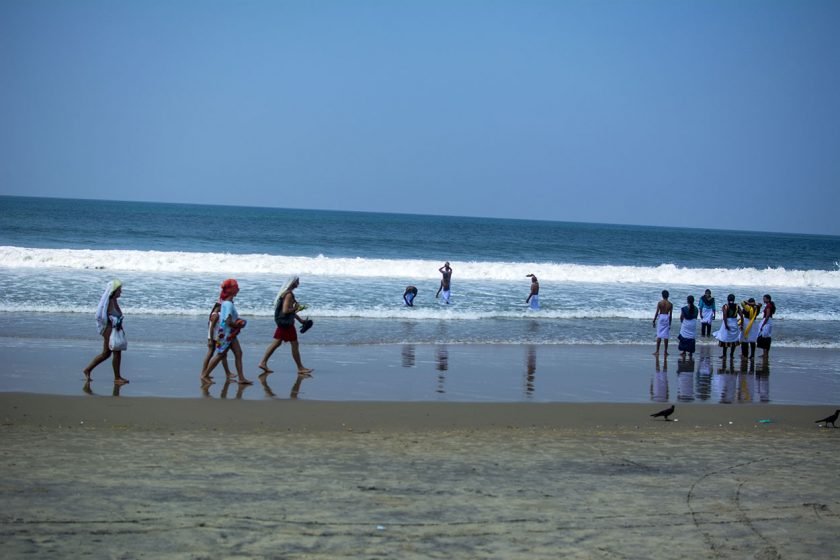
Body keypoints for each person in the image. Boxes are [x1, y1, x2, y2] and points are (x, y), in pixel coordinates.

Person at [258, 276, 313, 377]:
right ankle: (300, 368)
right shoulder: (289, 295)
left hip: (283, 323)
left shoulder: (286, 293)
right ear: (292, 282)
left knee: (277, 343)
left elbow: (289, 311)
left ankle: (263, 362)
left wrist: (301, 320)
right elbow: (285, 310)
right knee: (294, 344)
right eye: (297, 281)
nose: (299, 283)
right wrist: (295, 308)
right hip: (286, 324)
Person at [201, 279, 252, 385]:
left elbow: (226, 319)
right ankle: (205, 375)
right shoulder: (228, 304)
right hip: (227, 334)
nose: (238, 289)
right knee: (220, 354)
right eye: (236, 287)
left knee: (238, 353)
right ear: (232, 290)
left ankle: (241, 378)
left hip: (230, 334)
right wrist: (238, 324)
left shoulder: (225, 303)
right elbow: (227, 321)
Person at [83, 279, 129, 385]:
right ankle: (117, 378)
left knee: (106, 354)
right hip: (109, 330)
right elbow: (101, 316)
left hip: (113, 329)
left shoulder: (113, 301)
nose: (121, 292)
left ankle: (87, 370)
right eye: (119, 290)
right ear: (114, 291)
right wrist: (109, 328)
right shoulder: (108, 303)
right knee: (116, 352)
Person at [201, 300, 232, 378]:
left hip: (215, 337)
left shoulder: (215, 314)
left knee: (222, 355)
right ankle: (203, 373)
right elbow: (211, 328)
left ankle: (227, 373)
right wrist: (211, 340)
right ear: (218, 306)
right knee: (212, 354)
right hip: (213, 338)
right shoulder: (216, 315)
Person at [713, 293, 742, 360]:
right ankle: (731, 355)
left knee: (725, 339)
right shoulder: (737, 306)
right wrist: (742, 324)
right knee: (734, 339)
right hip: (734, 323)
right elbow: (741, 315)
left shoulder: (725, 306)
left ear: (727, 299)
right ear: (734, 299)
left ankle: (724, 355)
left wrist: (726, 325)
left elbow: (725, 315)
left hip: (727, 323)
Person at [652, 290, 673, 355]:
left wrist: (654, 320)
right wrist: (670, 324)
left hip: (661, 317)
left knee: (659, 335)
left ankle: (657, 351)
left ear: (662, 295)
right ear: (668, 296)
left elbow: (657, 312)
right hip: (666, 317)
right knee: (666, 335)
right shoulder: (670, 304)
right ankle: (665, 351)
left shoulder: (660, 303)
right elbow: (671, 315)